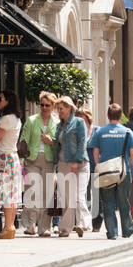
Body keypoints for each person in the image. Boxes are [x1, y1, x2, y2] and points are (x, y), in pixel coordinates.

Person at [88, 105, 133, 240]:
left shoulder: (100, 132)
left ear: (108, 115)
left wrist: (99, 166)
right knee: (124, 201)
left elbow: (95, 152)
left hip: (106, 172)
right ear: (120, 115)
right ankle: (128, 230)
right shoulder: (127, 132)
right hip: (123, 171)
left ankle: (112, 232)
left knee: (108, 203)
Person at [19, 91, 60, 236]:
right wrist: (21, 162)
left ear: (53, 106)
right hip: (32, 160)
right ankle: (30, 225)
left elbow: (60, 144)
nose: (43, 107)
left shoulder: (57, 123)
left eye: (47, 105)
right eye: (41, 104)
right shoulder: (31, 121)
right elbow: (23, 141)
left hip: (49, 160)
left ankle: (44, 228)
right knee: (32, 191)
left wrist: (51, 142)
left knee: (47, 194)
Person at [0, 90, 24, 239]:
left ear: (8, 101)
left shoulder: (5, 120)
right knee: (13, 192)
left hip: (4, 158)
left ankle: (8, 226)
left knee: (6, 192)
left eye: (0, 98)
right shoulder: (16, 119)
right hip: (13, 157)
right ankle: (9, 226)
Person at [55, 97, 90, 237]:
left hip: (80, 164)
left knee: (78, 196)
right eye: (58, 109)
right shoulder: (59, 125)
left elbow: (82, 142)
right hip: (63, 164)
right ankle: (65, 228)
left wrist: (77, 161)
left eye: (61, 108)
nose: (59, 111)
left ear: (69, 108)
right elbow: (59, 144)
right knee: (66, 198)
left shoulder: (79, 122)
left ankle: (83, 223)